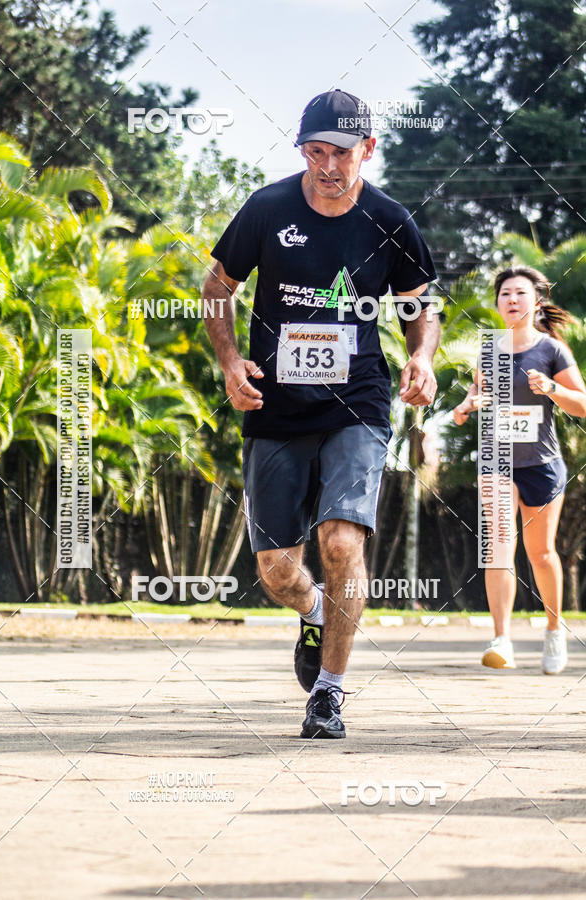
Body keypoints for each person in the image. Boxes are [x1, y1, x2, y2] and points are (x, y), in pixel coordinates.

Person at [203, 89, 439, 738]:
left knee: (340, 541)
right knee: (278, 570)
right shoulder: (268, 208)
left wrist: (421, 359)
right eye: (314, 151)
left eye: (340, 152)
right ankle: (312, 611)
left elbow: (420, 306)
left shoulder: (390, 220)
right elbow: (218, 287)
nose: (327, 165)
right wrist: (230, 363)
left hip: (356, 403)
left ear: (368, 148)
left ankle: (329, 694)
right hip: (277, 406)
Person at [453, 266, 586, 673]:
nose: (512, 299)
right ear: (497, 303)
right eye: (505, 293)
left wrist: (552, 388)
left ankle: (553, 630)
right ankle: (502, 639)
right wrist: (465, 408)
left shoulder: (551, 350)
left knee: (541, 553)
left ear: (536, 301)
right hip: (496, 461)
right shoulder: (489, 350)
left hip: (542, 465)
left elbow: (581, 403)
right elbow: (468, 405)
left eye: (520, 293)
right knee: (497, 545)